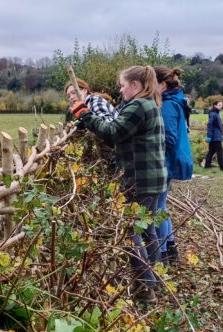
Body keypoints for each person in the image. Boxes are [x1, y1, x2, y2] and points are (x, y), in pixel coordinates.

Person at [69, 65, 166, 302]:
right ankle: (155, 281)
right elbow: (117, 131)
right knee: (147, 229)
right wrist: (87, 121)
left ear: (135, 85)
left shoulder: (138, 106)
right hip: (151, 177)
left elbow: (112, 132)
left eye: (123, 85)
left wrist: (84, 112)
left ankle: (145, 288)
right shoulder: (146, 104)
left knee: (130, 231)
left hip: (140, 179)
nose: (120, 90)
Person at [154, 67, 193, 265]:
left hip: (165, 162)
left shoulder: (168, 104)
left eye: (152, 83)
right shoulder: (174, 100)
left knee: (157, 208)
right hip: (167, 162)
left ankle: (162, 253)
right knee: (161, 206)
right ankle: (169, 247)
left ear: (162, 84)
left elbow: (168, 138)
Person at [204, 100, 223, 170]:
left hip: (216, 135)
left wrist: (222, 134)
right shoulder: (213, 114)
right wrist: (209, 136)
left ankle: (207, 165)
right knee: (220, 151)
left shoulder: (216, 113)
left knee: (211, 151)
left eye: (221, 105)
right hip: (215, 136)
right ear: (215, 106)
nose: (221, 106)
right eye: (219, 105)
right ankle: (222, 167)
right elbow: (209, 125)